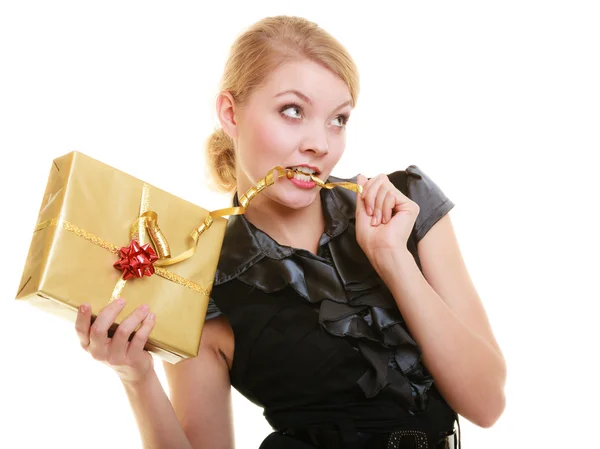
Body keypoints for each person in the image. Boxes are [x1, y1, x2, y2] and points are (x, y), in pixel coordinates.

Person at [74, 15, 506, 449]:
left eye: (338, 119)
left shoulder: (404, 208)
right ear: (231, 113)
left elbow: (486, 404)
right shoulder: (204, 279)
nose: (320, 143)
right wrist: (137, 377)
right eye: (293, 111)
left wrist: (393, 260)